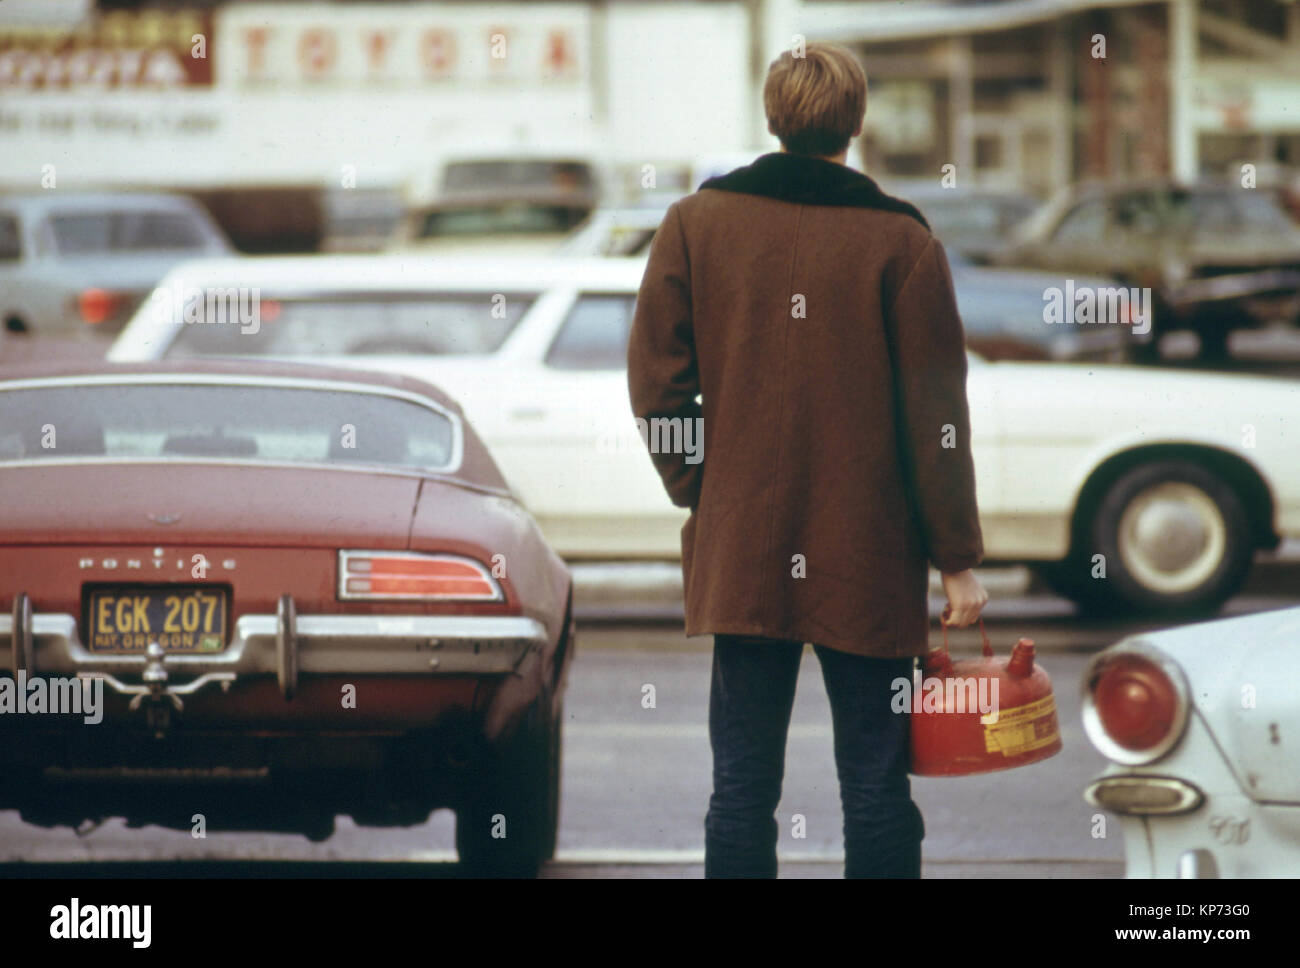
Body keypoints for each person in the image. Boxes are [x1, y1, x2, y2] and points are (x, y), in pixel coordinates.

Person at [626, 42, 988, 878]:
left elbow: (657, 383)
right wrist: (956, 559)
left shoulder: (694, 223)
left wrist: (702, 489)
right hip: (868, 554)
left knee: (742, 786)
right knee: (876, 781)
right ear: (855, 123)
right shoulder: (902, 241)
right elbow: (936, 417)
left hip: (744, 546)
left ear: (772, 118)